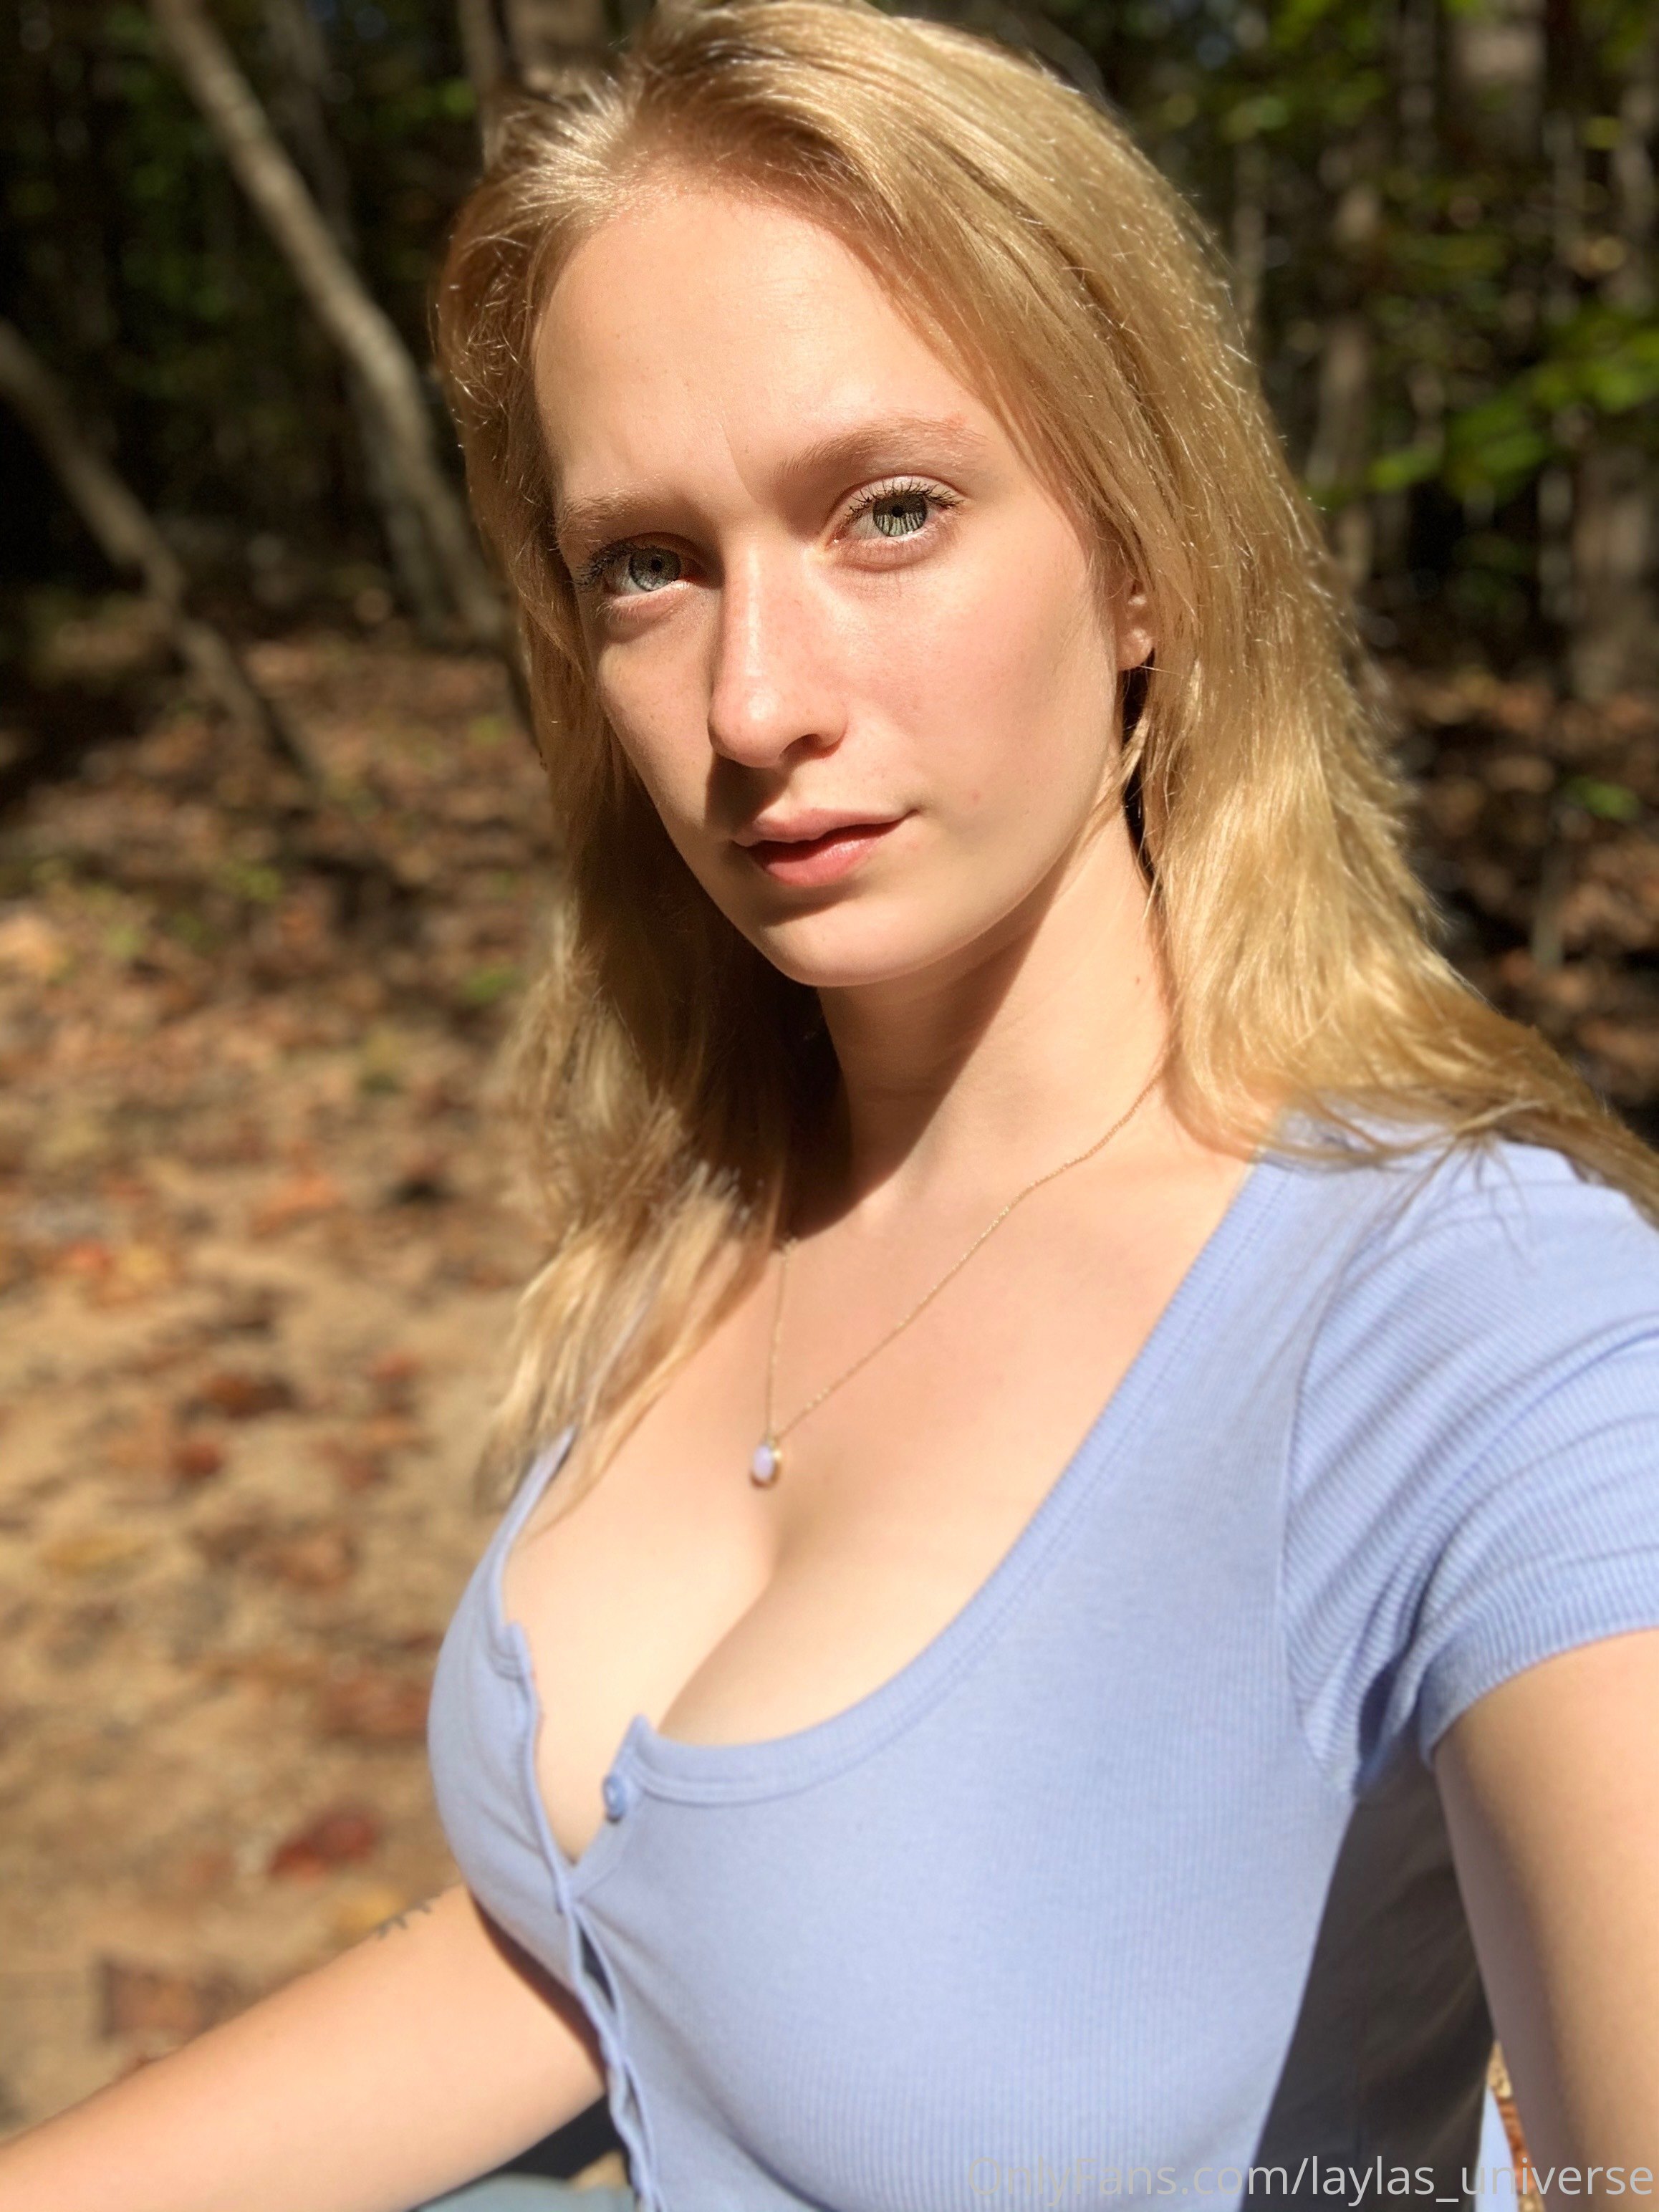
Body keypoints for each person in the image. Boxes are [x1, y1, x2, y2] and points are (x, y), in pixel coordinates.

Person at [4, 1, 1659, 2208]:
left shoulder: (1475, 1330)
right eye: (646, 564)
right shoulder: (723, 1185)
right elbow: (596, 1959)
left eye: (889, 511)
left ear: (1144, 558)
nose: (752, 703)